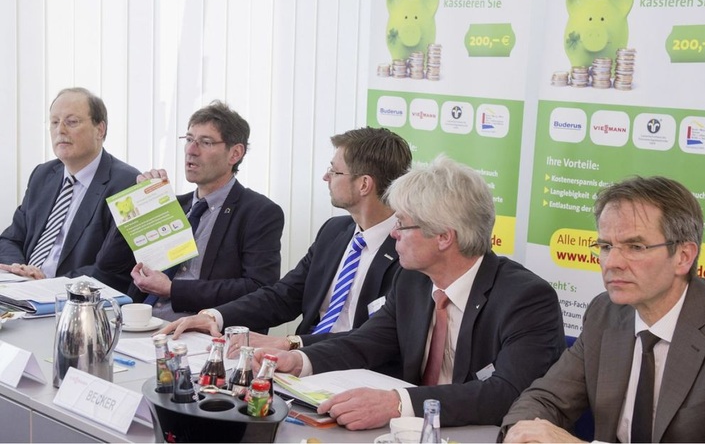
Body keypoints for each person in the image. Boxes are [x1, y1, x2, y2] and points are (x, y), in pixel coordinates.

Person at [255, 155, 565, 430]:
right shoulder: (412, 280)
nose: (392, 234)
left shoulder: (526, 299)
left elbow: (506, 392)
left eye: (402, 224)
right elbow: (366, 342)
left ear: (444, 237)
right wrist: (299, 360)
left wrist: (397, 403)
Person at [501, 176, 705, 443]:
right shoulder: (604, 314)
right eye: (606, 246)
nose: (612, 262)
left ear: (683, 256)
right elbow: (544, 399)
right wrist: (521, 432)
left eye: (635, 246)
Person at [158, 126, 412, 352]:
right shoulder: (336, 231)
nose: (326, 178)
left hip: (355, 372)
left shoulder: (407, 249)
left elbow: (376, 340)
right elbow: (284, 296)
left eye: (334, 171)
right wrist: (215, 317)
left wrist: (292, 344)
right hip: (303, 363)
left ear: (364, 184)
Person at [95, 101, 284, 321]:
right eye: (189, 140)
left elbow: (258, 289)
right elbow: (108, 266)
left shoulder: (259, 212)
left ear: (235, 153)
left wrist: (173, 290)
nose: (191, 151)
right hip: (140, 322)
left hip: (199, 330)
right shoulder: (172, 207)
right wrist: (140, 206)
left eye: (205, 142)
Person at [0, 87, 139, 288]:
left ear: (100, 130)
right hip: (23, 290)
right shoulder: (43, 174)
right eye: (54, 122)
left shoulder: (126, 184)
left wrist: (47, 284)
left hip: (73, 299)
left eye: (71, 122)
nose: (60, 130)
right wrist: (20, 269)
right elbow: (11, 239)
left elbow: (111, 269)